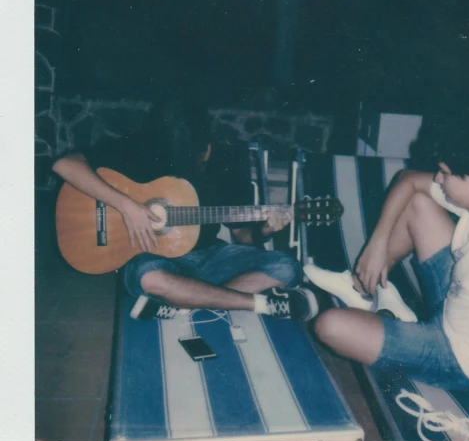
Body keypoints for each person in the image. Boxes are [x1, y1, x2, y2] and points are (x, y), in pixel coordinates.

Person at [305, 117, 469, 392]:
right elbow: (407, 181)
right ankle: (360, 286)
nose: (437, 178)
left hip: (466, 362)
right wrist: (377, 245)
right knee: (419, 203)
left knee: (329, 326)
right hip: (459, 303)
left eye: (444, 172)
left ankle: (392, 317)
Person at [53, 99, 318, 322]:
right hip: (156, 258)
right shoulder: (141, 147)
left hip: (211, 256)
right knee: (149, 277)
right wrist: (126, 206)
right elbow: (65, 165)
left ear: (205, 148)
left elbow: (242, 237)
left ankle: (182, 303)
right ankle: (260, 305)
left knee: (287, 267)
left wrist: (266, 229)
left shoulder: (225, 162)